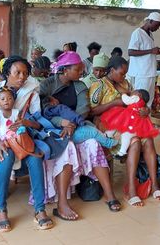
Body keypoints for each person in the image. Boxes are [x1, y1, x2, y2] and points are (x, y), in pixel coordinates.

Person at [40, 51, 121, 214]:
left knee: (93, 144)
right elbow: (42, 111)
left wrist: (72, 123)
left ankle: (109, 193)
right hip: (53, 128)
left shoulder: (80, 85)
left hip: (78, 125)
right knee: (67, 146)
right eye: (77, 70)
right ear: (65, 70)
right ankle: (62, 201)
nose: (82, 73)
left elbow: (83, 110)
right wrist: (62, 123)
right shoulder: (47, 85)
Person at [0, 56, 56, 231]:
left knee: (36, 159)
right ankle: (1, 208)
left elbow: (38, 123)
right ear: (7, 72)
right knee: (5, 158)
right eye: (17, 72)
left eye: (25, 73)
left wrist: (26, 123)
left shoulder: (32, 91)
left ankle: (40, 209)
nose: (22, 77)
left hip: (23, 137)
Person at [90, 56, 160, 207]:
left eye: (125, 74)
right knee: (136, 142)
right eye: (121, 73)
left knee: (148, 140)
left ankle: (155, 185)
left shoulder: (125, 84)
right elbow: (92, 111)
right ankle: (131, 189)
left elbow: (139, 100)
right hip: (109, 126)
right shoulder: (99, 85)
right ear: (111, 70)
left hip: (131, 124)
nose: (124, 77)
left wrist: (146, 110)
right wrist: (114, 103)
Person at [101, 89, 159, 158]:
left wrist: (123, 94)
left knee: (117, 126)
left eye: (134, 92)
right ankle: (122, 150)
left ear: (139, 95)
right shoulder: (142, 103)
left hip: (129, 120)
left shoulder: (136, 98)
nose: (131, 93)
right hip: (133, 122)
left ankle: (107, 135)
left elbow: (126, 100)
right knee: (126, 135)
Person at [127, 12, 160, 107]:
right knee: (139, 100)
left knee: (148, 100)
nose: (157, 28)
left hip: (150, 73)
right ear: (150, 21)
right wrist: (151, 51)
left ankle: (146, 121)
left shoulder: (149, 34)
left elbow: (149, 52)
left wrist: (159, 52)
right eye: (157, 25)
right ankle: (137, 121)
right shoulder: (137, 33)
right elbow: (131, 52)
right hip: (141, 74)